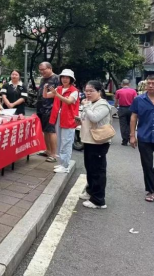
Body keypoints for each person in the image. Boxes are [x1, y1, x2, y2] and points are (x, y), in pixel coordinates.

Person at [79, 80, 113, 209]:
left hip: (98, 142)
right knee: (90, 169)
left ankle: (99, 200)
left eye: (91, 91)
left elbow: (94, 118)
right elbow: (87, 118)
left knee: (98, 171)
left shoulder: (103, 105)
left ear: (99, 91)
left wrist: (86, 106)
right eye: (86, 91)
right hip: (89, 140)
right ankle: (91, 192)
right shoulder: (92, 103)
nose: (88, 93)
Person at [129, 74, 154, 203]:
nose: (151, 86)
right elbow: (133, 117)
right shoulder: (139, 99)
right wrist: (132, 136)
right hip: (144, 137)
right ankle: (151, 191)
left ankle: (150, 179)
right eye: (149, 83)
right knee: (147, 165)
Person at [48, 69, 80, 173]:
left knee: (67, 142)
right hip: (59, 117)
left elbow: (69, 101)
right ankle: (61, 163)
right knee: (61, 141)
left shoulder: (74, 91)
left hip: (69, 119)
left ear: (71, 79)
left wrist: (57, 94)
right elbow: (46, 95)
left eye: (67, 77)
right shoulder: (59, 88)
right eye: (63, 77)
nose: (64, 79)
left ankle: (65, 165)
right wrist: (45, 89)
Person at [36, 62, 60, 162]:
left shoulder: (57, 78)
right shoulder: (43, 79)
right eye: (40, 70)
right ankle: (48, 151)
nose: (42, 72)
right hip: (41, 108)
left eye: (43, 69)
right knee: (45, 131)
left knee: (51, 131)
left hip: (50, 108)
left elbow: (58, 93)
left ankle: (54, 154)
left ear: (50, 68)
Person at [115, 79, 137, 146]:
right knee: (131, 124)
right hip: (131, 109)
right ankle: (131, 138)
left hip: (122, 109)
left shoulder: (118, 91)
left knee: (123, 125)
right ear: (129, 84)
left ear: (122, 84)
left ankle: (125, 140)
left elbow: (116, 101)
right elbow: (136, 100)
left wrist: (116, 106)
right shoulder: (133, 91)